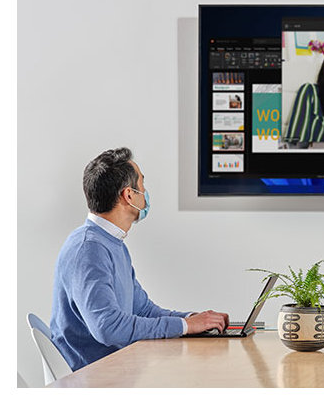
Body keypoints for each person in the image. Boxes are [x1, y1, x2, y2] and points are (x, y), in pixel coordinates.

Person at [50, 148, 230, 371]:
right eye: (142, 185)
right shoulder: (88, 249)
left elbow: (142, 309)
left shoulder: (111, 243)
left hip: (117, 369)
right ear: (128, 195)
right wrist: (184, 326)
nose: (145, 193)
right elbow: (108, 327)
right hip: (93, 379)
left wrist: (193, 320)